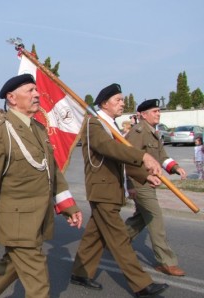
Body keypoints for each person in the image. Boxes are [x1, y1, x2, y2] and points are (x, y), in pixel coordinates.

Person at [0, 74, 82, 298]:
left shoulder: (38, 128)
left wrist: (68, 205)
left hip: (37, 218)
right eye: (30, 90)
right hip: (16, 222)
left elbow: (52, 171)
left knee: (11, 266)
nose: (37, 94)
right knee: (39, 286)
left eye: (36, 90)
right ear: (12, 98)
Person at [70, 84, 169, 297]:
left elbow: (120, 159)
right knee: (119, 239)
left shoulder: (110, 125)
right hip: (102, 189)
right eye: (118, 100)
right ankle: (141, 284)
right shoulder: (94, 124)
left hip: (111, 189)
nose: (122, 103)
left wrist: (144, 174)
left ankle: (80, 272)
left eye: (123, 100)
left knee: (95, 236)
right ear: (104, 103)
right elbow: (109, 148)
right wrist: (142, 156)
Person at [125, 99, 187, 276]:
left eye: (159, 111)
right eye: (154, 111)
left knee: (141, 217)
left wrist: (175, 168)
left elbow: (162, 157)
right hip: (140, 182)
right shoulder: (138, 132)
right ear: (143, 115)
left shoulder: (154, 133)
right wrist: (130, 186)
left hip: (149, 182)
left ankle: (117, 240)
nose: (158, 114)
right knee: (154, 217)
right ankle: (166, 261)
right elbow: (128, 160)